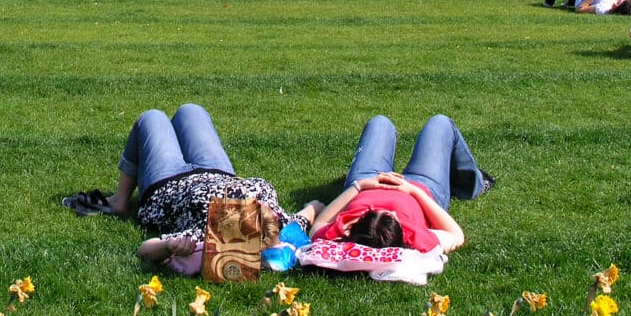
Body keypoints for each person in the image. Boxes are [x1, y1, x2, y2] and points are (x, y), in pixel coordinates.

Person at [76, 104, 317, 275]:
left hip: (167, 183)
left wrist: (168, 247)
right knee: (191, 111)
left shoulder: (212, 231)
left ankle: (119, 201)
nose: (265, 206)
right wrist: (313, 207)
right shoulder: (279, 222)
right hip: (216, 170)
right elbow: (309, 212)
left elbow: (145, 249)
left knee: (152, 118)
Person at [310, 114, 490, 254]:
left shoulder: (343, 231)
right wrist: (412, 191)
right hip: (422, 185)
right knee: (440, 123)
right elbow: (456, 235)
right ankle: (475, 183)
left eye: (370, 212)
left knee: (380, 123)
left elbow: (319, 225)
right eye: (392, 216)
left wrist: (360, 186)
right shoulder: (416, 238)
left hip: (368, 179)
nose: (389, 210)